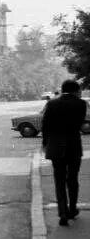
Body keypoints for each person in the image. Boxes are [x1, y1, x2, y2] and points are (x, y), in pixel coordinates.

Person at [42, 79, 87, 226]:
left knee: (59, 180)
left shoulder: (52, 103)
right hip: (73, 146)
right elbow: (79, 123)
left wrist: (45, 143)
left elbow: (45, 125)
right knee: (72, 179)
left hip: (55, 146)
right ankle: (72, 209)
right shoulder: (80, 104)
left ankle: (62, 213)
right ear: (75, 90)